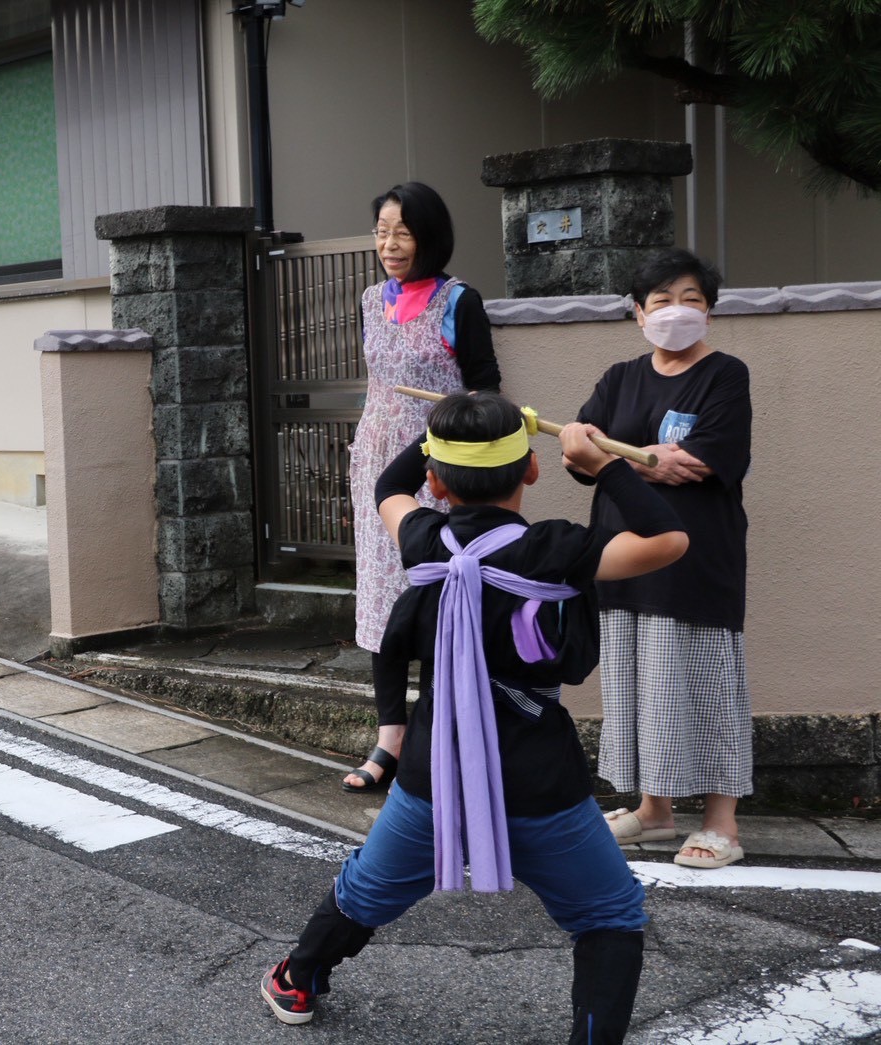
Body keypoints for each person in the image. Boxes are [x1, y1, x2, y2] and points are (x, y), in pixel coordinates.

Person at [261, 392, 688, 1042]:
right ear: (532, 469)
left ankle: (297, 978)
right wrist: (604, 465)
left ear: (435, 480)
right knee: (608, 915)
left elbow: (388, 485)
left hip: (433, 775)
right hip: (540, 781)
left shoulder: (422, 538)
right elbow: (669, 539)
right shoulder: (556, 548)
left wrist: (441, 430)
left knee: (366, 889)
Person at [572, 249, 753, 869]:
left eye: (690, 300)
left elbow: (701, 461)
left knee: (708, 685)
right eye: (661, 301)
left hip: (696, 558)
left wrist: (613, 458)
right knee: (640, 685)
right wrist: (644, 460)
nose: (676, 311)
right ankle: (654, 813)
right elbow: (577, 452)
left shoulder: (725, 375)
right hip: (623, 556)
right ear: (638, 313)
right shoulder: (619, 377)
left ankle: (722, 825)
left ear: (710, 311)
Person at [343, 181, 501, 794]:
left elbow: (485, 389)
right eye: (382, 232)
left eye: (403, 233)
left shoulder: (459, 300)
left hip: (439, 466)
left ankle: (439, 738)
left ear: (429, 236)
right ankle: (390, 737)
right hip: (375, 463)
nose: (389, 244)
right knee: (382, 599)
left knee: (435, 596)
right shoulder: (370, 299)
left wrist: (440, 446)